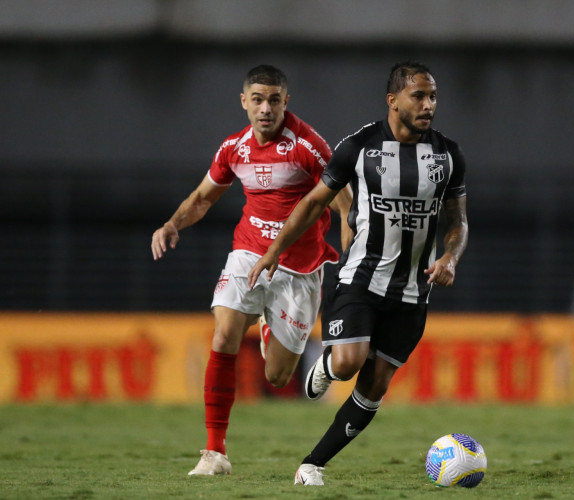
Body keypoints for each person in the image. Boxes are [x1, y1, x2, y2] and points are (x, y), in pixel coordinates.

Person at [248, 61, 469, 486]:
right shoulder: (359, 147)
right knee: (349, 362)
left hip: (411, 292)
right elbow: (314, 203)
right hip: (360, 278)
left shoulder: (447, 156)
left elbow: (458, 220)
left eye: (433, 96)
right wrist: (275, 250)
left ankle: (311, 464)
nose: (428, 105)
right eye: (419, 96)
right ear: (393, 101)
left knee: (375, 385)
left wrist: (451, 257)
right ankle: (330, 363)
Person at [151, 64, 353, 476]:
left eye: (274, 100)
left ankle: (267, 326)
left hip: (300, 266)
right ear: (244, 102)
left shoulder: (308, 146)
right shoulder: (234, 148)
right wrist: (172, 223)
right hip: (248, 254)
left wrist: (349, 247)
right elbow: (203, 197)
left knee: (278, 377)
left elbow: (343, 200)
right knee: (224, 334)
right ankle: (214, 453)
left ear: (285, 102)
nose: (266, 108)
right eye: (257, 99)